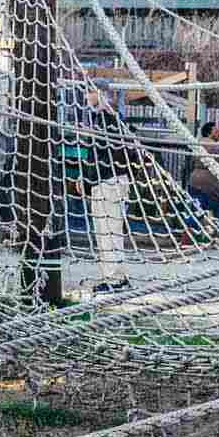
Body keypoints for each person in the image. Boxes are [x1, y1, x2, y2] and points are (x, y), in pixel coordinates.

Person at [83, 82, 134, 293]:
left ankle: (112, 278)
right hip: (116, 180)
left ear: (99, 95)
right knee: (113, 230)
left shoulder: (104, 121)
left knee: (106, 231)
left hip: (107, 181)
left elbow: (100, 156)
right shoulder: (116, 120)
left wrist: (87, 179)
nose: (87, 97)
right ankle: (119, 276)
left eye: (90, 92)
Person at [187, 121, 219, 223]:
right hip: (210, 185)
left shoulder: (196, 144)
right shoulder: (215, 147)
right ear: (209, 133)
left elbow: (191, 164)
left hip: (194, 182)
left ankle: (188, 235)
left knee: (195, 212)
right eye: (217, 131)